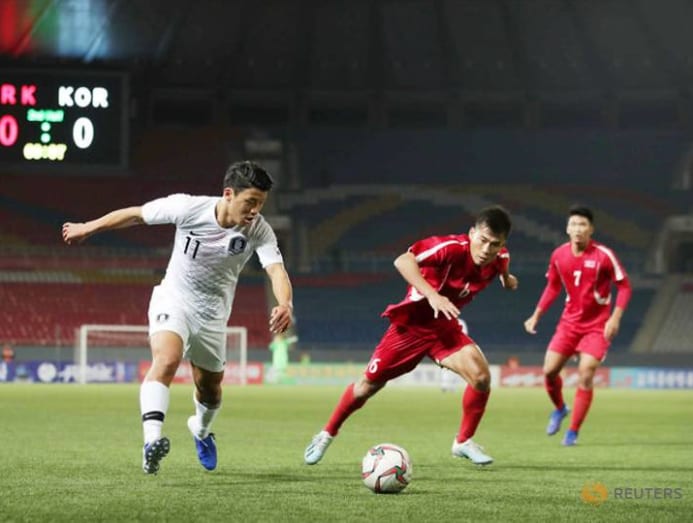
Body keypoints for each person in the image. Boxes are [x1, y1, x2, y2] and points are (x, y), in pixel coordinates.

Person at [62, 160, 293, 474]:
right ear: (228, 194)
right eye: (250, 202)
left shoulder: (259, 230)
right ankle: (151, 442)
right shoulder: (188, 208)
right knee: (167, 359)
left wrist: (285, 303)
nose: (255, 210)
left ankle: (200, 429)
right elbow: (136, 214)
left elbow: (276, 270)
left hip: (213, 316)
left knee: (210, 390)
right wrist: (87, 227)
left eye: (261, 204)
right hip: (174, 299)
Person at [304, 205, 517, 466]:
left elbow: (503, 265)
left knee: (481, 378)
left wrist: (507, 279)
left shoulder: (500, 257)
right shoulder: (450, 248)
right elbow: (403, 261)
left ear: (502, 244)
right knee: (366, 387)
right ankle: (326, 434)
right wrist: (433, 295)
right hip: (411, 327)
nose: (486, 249)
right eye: (482, 240)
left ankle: (463, 442)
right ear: (472, 233)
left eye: (494, 244)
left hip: (444, 328)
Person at [524, 205, 631, 446]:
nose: (578, 229)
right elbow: (553, 286)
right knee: (549, 371)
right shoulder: (559, 255)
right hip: (569, 324)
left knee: (586, 372)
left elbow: (624, 286)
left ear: (591, 229)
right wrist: (536, 315)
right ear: (567, 229)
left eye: (583, 224)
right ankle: (560, 408)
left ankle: (572, 431)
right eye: (573, 224)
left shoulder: (604, 255)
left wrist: (615, 318)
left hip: (597, 326)